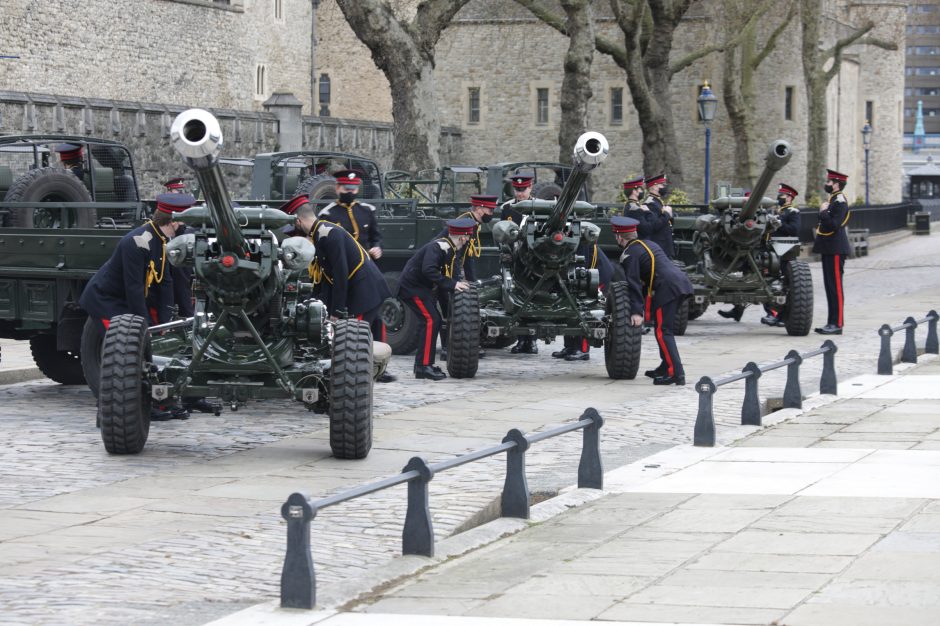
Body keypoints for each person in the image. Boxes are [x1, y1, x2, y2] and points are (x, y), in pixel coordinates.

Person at [79, 193, 186, 420]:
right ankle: (106, 412)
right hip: (106, 301)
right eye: (183, 220)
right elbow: (134, 288)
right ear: (173, 221)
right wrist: (144, 326)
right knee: (124, 351)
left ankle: (157, 402)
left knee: (144, 351)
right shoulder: (138, 241)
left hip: (125, 301)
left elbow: (166, 282)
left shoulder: (160, 240)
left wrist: (165, 322)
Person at [283, 194, 396, 383]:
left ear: (298, 220)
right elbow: (326, 278)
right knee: (361, 335)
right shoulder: (321, 234)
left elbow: (340, 273)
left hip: (364, 290)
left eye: (294, 225)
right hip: (360, 289)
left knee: (355, 338)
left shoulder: (327, 234)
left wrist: (336, 310)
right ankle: (370, 372)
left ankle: (357, 380)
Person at [612, 215, 693, 385]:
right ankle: (665, 366)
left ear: (619, 237)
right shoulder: (648, 244)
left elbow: (633, 283)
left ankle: (675, 373)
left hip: (667, 288)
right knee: (662, 329)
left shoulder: (629, 254)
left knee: (664, 332)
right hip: (680, 283)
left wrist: (636, 312)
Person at [399, 218, 474, 380]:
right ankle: (423, 366)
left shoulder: (449, 248)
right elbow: (429, 270)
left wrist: (455, 284)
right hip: (412, 288)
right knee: (431, 320)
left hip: (421, 288)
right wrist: (453, 284)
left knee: (434, 320)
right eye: (467, 237)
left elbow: (450, 273)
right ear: (462, 238)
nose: (468, 241)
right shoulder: (439, 247)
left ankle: (425, 364)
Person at [551, 238, 614, 361]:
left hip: (596, 276)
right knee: (569, 308)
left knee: (585, 309)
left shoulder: (580, 241)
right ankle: (570, 347)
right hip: (585, 274)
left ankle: (583, 349)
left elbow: (581, 267)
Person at [813, 169, 851, 335]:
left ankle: (838, 323)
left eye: (829, 182)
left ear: (836, 183)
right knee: (830, 287)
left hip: (836, 249)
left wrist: (822, 212)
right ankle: (831, 322)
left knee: (835, 287)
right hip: (829, 248)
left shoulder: (840, 201)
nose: (826, 184)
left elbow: (834, 224)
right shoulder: (833, 200)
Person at [760, 183, 802, 327]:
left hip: (785, 252)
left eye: (782, 195)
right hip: (771, 251)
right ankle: (772, 313)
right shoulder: (776, 211)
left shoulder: (792, 212)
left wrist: (779, 224)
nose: (780, 197)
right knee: (769, 282)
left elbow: (794, 230)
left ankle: (782, 316)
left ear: (789, 198)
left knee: (785, 286)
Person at [317, 170, 383, 260]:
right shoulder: (328, 214)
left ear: (358, 189)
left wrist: (376, 247)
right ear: (337, 188)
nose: (350, 192)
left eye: (353, 189)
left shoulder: (367, 210)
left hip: (365, 263)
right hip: (340, 264)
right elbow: (322, 244)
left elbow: (375, 237)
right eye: (347, 189)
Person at [640, 173, 675, 259]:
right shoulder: (650, 203)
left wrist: (669, 215)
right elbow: (655, 225)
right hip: (659, 246)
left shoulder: (657, 201)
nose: (664, 187)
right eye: (662, 185)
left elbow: (667, 222)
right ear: (654, 186)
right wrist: (667, 213)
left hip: (664, 245)